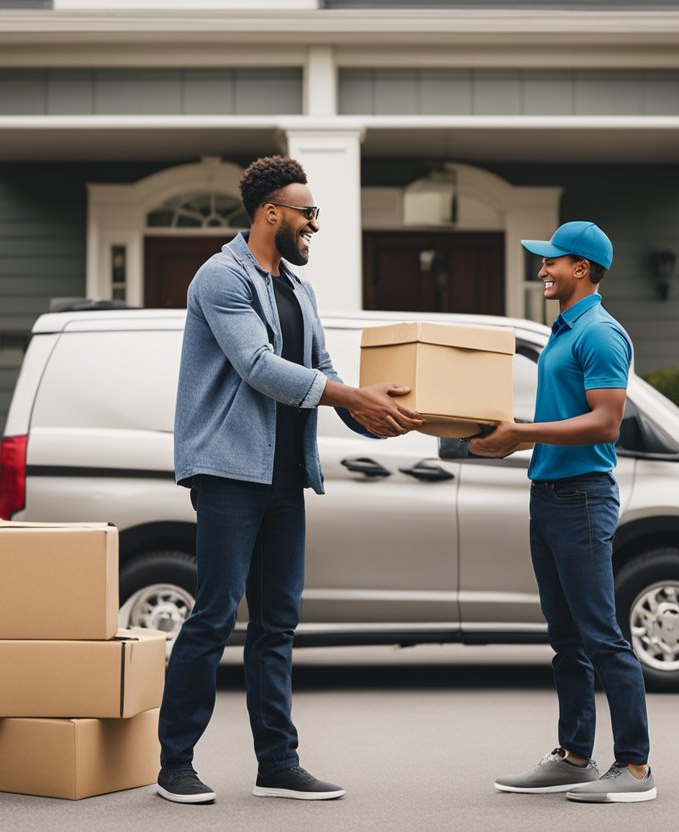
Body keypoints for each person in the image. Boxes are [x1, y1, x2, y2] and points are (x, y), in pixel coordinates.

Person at [156, 155, 422, 805]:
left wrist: (378, 418)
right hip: (227, 471)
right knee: (215, 614)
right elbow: (259, 366)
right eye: (308, 214)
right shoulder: (222, 278)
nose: (314, 226)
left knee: (277, 623)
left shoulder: (298, 290)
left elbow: (322, 374)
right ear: (271, 212)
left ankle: (277, 761)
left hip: (283, 474)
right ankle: (175, 764)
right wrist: (355, 395)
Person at [470, 221, 656, 804]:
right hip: (548, 496)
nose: (542, 269)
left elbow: (606, 421)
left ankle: (634, 768)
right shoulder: (564, 330)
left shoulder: (600, 333)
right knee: (567, 639)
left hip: (581, 497)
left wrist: (520, 435)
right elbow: (564, 410)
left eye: (552, 261)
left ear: (582, 268)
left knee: (601, 634)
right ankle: (575, 755)